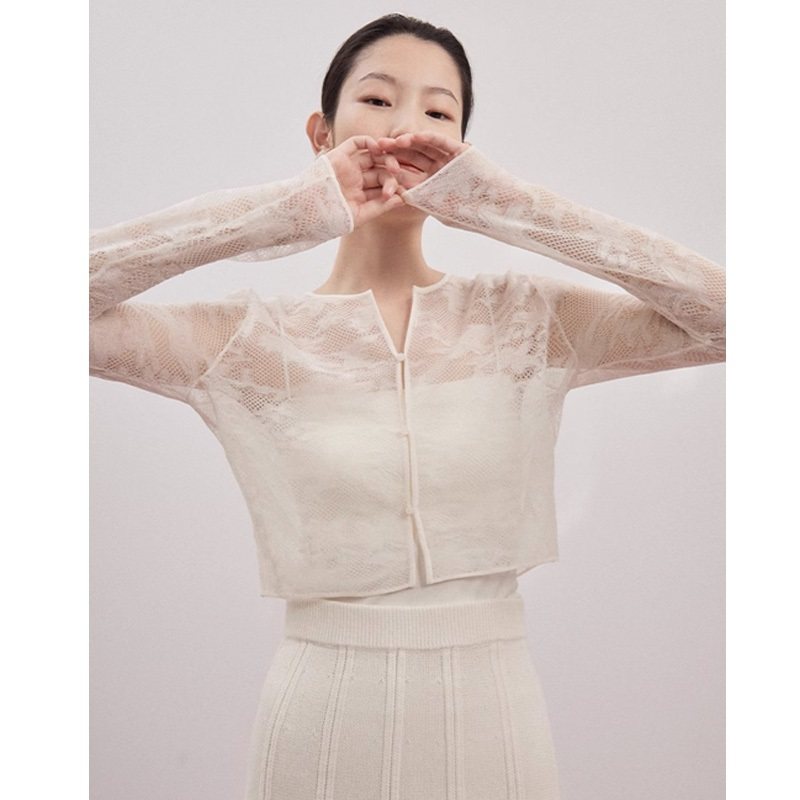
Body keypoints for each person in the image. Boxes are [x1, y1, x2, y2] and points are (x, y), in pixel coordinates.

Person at [89, 13, 725, 800]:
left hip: (494, 723)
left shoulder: (526, 321)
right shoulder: (246, 342)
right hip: (321, 726)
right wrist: (278, 213)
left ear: (464, 151)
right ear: (322, 135)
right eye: (378, 100)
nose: (402, 130)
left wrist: (511, 208)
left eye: (436, 111)